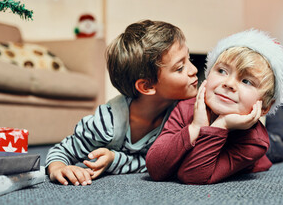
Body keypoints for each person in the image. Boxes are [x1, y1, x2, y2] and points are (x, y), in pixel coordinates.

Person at [45, 20, 198, 186]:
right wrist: (58, 168)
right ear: (147, 86)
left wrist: (115, 159)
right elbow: (61, 151)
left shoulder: (183, 113)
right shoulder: (105, 124)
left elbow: (157, 162)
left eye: (189, 59)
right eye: (180, 67)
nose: (194, 70)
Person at [146, 29, 283, 185]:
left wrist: (221, 125)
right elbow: (155, 168)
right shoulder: (186, 107)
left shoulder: (255, 142)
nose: (228, 84)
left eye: (246, 81)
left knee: (279, 146)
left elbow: (193, 175)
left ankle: (278, 107)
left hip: (262, 149)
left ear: (264, 108)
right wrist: (195, 127)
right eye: (222, 71)